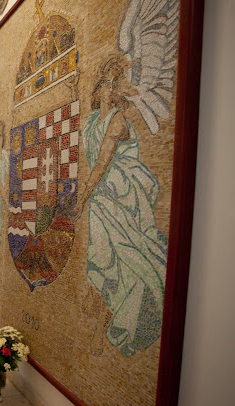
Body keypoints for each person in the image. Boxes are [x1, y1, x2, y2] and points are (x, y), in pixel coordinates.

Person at [74, 57, 167, 357]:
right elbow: (85, 148)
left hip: (121, 196)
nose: (111, 90)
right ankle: (104, 321)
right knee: (100, 260)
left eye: (116, 84)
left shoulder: (117, 120)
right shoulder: (91, 122)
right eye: (107, 83)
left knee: (111, 257)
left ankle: (111, 323)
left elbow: (101, 164)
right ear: (99, 87)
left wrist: (83, 199)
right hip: (101, 196)